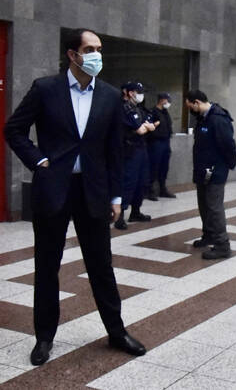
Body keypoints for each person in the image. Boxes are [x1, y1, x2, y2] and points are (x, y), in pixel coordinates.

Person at [4, 28, 146, 366]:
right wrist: (38, 159)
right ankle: (44, 337)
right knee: (46, 266)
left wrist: (116, 196)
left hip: (93, 190)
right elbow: (13, 129)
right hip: (54, 188)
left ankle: (116, 331)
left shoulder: (109, 95)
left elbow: (114, 150)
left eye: (99, 49)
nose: (97, 55)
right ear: (72, 54)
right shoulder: (45, 89)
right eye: (89, 49)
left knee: (101, 265)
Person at [185, 90, 236, 260]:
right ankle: (209, 235)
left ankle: (222, 245)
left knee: (214, 208)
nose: (190, 110)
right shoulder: (203, 118)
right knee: (204, 205)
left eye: (190, 106)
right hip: (202, 170)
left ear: (197, 102)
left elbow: (228, 145)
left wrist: (226, 166)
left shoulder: (218, 119)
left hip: (215, 171)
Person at [114, 81, 155, 230]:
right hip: (129, 150)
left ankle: (136, 211)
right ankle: (120, 215)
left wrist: (146, 126)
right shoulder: (123, 107)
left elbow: (148, 123)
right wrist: (147, 127)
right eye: (139, 92)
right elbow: (141, 129)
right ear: (131, 93)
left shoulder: (138, 108)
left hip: (140, 148)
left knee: (141, 181)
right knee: (128, 181)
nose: (142, 95)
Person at [147, 92, 176, 200]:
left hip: (165, 142)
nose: (169, 103)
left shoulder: (165, 112)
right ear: (162, 100)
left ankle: (162, 189)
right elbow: (148, 128)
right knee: (154, 167)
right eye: (167, 100)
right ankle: (150, 191)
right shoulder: (152, 112)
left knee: (164, 167)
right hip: (156, 143)